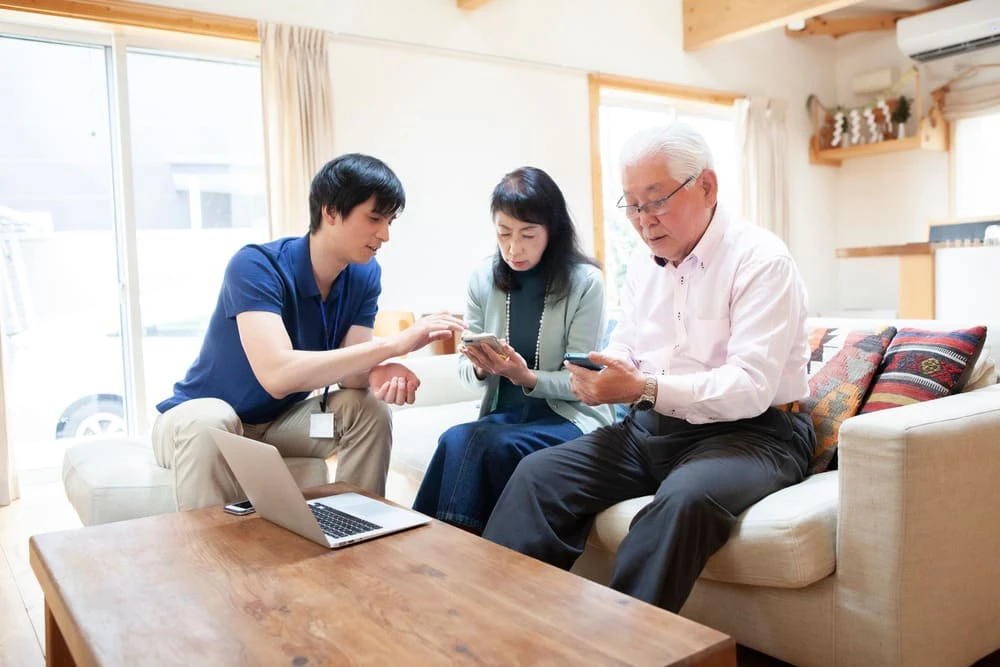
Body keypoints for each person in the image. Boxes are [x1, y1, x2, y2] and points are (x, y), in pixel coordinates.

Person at [482, 124, 817, 613]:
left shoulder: (762, 261)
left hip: (755, 434)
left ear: (707, 187)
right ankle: (497, 626)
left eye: (655, 200)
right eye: (632, 204)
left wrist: (643, 386)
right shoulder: (642, 265)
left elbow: (750, 386)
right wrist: (606, 374)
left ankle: (625, 652)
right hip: (651, 429)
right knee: (537, 475)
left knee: (685, 501)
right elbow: (629, 345)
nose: (642, 220)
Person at [152, 153, 465, 511]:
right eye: (375, 218)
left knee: (367, 408)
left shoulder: (364, 274)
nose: (385, 235)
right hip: (198, 421)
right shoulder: (256, 266)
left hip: (279, 426)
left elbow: (351, 377)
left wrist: (381, 369)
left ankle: (358, 524)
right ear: (330, 212)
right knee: (212, 419)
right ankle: (212, 562)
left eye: (390, 221)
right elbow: (277, 375)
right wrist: (393, 345)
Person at [412, 166, 614, 533]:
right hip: (502, 417)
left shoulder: (586, 284)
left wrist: (525, 377)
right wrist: (480, 367)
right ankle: (436, 548)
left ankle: (450, 551)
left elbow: (583, 383)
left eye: (527, 234)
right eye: (504, 233)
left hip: (566, 420)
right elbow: (466, 372)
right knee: (456, 438)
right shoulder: (482, 279)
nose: (513, 248)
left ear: (552, 231)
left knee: (484, 445)